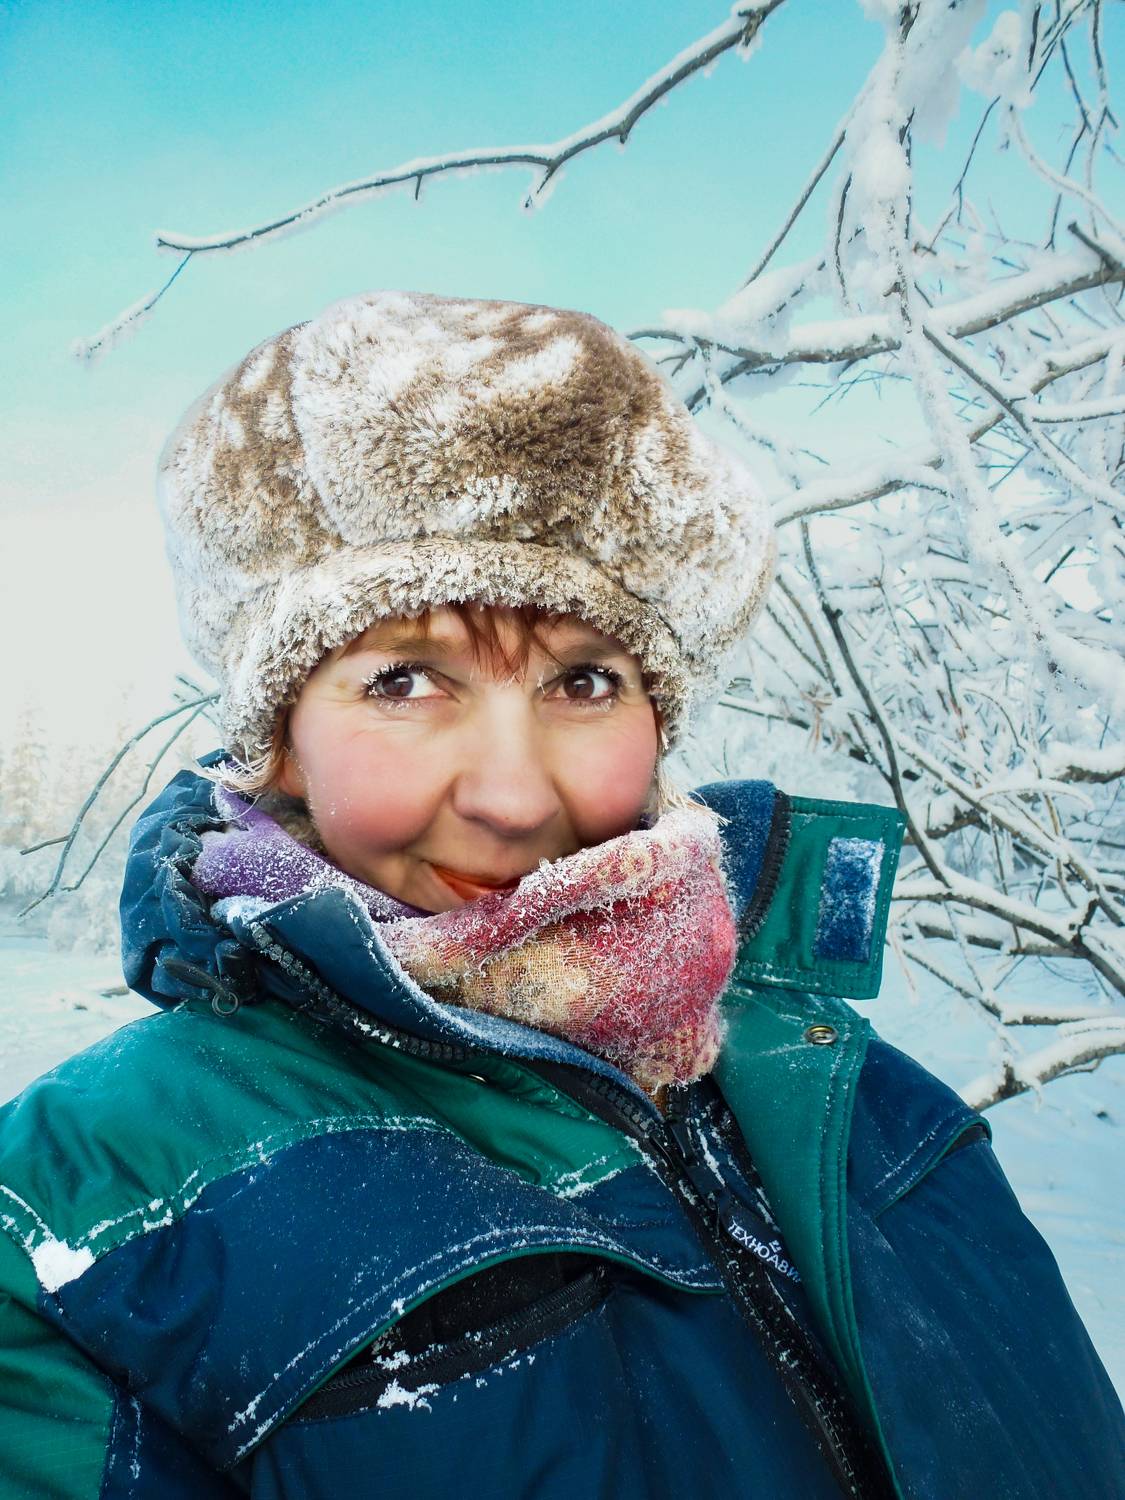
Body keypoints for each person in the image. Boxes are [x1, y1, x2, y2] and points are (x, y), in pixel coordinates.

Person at [0, 292, 1121, 1500]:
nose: (511, 795)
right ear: (276, 745)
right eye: (405, 682)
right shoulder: (90, 1211)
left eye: (584, 682)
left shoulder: (841, 1084)